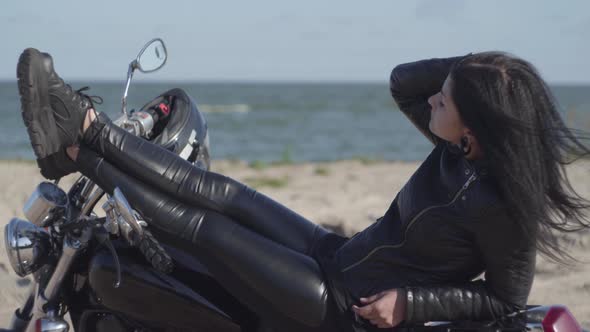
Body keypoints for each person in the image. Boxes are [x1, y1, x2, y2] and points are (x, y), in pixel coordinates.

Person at [16, 48, 590, 331]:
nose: (432, 100)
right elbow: (402, 83)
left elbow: (505, 299)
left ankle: (77, 145)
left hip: (340, 307)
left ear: (474, 123)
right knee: (220, 190)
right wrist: (472, 71)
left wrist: (409, 304)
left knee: (204, 229)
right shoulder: (458, 150)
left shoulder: (502, 206)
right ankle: (84, 130)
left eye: (446, 99)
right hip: (335, 254)